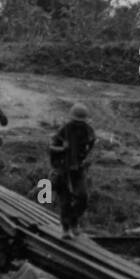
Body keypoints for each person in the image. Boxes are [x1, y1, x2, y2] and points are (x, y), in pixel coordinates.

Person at [49, 102, 96, 238]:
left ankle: (73, 221)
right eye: (76, 121)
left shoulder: (88, 131)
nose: (78, 124)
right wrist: (63, 149)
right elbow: (51, 147)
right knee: (65, 200)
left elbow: (92, 146)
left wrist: (88, 159)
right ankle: (65, 228)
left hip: (79, 169)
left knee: (82, 197)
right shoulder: (63, 130)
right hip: (63, 169)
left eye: (81, 122)